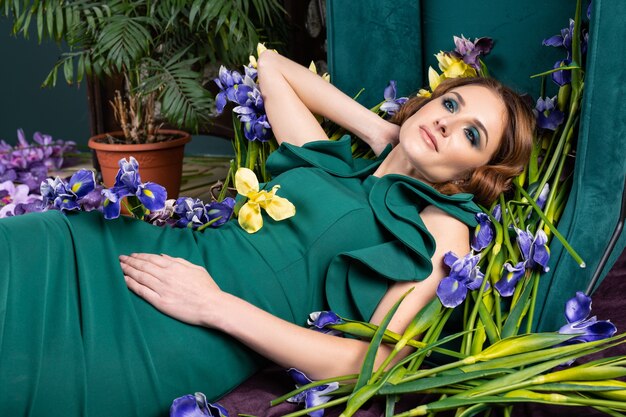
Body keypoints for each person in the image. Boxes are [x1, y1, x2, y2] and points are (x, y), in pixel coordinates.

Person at [0, 50, 535, 416]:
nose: (446, 122)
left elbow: (373, 363)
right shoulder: (333, 163)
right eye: (450, 103)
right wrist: (382, 131)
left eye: (471, 133)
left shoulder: (443, 229)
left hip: (191, 327)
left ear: (475, 173)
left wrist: (217, 307)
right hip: (106, 248)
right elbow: (273, 68)